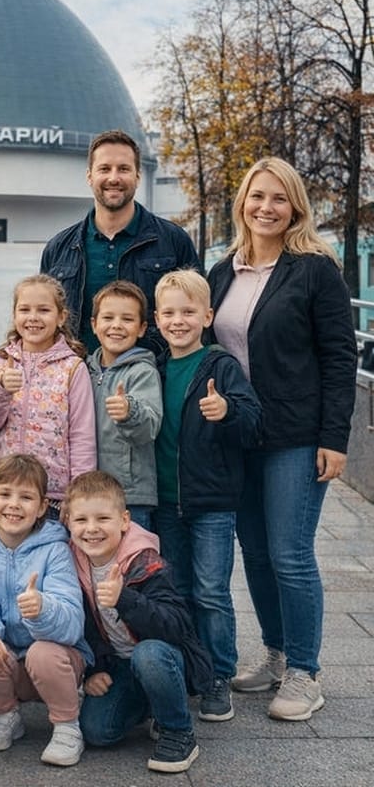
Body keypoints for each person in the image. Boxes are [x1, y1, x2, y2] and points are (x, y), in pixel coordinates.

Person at [207, 157, 358, 721]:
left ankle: (305, 671)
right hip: (238, 435)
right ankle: (275, 654)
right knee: (257, 554)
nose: (265, 207)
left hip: (296, 434)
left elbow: (341, 359)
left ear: (295, 206)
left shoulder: (315, 270)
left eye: (278, 198)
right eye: (256, 196)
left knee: (291, 554)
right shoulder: (224, 271)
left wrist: (334, 437)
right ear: (242, 201)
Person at [152, 269, 262, 723]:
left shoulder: (220, 366)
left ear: (208, 316)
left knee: (212, 591)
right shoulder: (152, 367)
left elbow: (253, 421)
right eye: (170, 313)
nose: (179, 321)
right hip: (165, 502)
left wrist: (227, 410)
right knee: (176, 590)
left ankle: (219, 673)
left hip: (213, 501)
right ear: (157, 319)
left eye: (189, 312)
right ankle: (188, 668)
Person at [65, 470, 212, 775]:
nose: (91, 529)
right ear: (68, 522)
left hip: (164, 656)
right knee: (96, 731)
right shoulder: (72, 562)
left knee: (150, 655)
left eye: (103, 519)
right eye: (81, 520)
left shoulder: (145, 561)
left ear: (124, 520)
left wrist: (125, 599)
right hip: (120, 663)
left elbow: (177, 625)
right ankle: (152, 702)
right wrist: (97, 669)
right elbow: (86, 627)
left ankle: (178, 729)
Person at [0, 455, 91, 768]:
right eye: (5, 495)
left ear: (43, 506)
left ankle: (66, 725)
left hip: (58, 662)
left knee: (42, 653)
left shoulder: (56, 549)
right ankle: (6, 715)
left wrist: (42, 608)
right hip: (12, 669)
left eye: (26, 497)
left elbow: (73, 623)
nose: (14, 505)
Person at [40, 129, 200, 356]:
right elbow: (45, 323)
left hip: (154, 382)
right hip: (78, 384)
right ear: (89, 176)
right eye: (104, 169)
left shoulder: (173, 241)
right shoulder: (58, 249)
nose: (113, 178)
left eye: (123, 169)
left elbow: (198, 320)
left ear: (137, 176)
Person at [0, 273, 96, 516]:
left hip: (53, 495)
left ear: (61, 317)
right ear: (14, 315)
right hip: (3, 491)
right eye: (25, 309)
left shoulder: (73, 367)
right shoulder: (0, 362)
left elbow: (82, 437)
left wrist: (79, 494)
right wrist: (0, 390)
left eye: (43, 310)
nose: (33, 318)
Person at [87, 280, 163, 531]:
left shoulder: (142, 372)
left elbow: (149, 426)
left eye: (127, 319)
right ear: (94, 324)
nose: (116, 325)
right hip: (88, 490)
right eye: (108, 317)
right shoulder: (83, 369)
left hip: (131, 494)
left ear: (142, 328)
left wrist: (130, 412)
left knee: (134, 563)